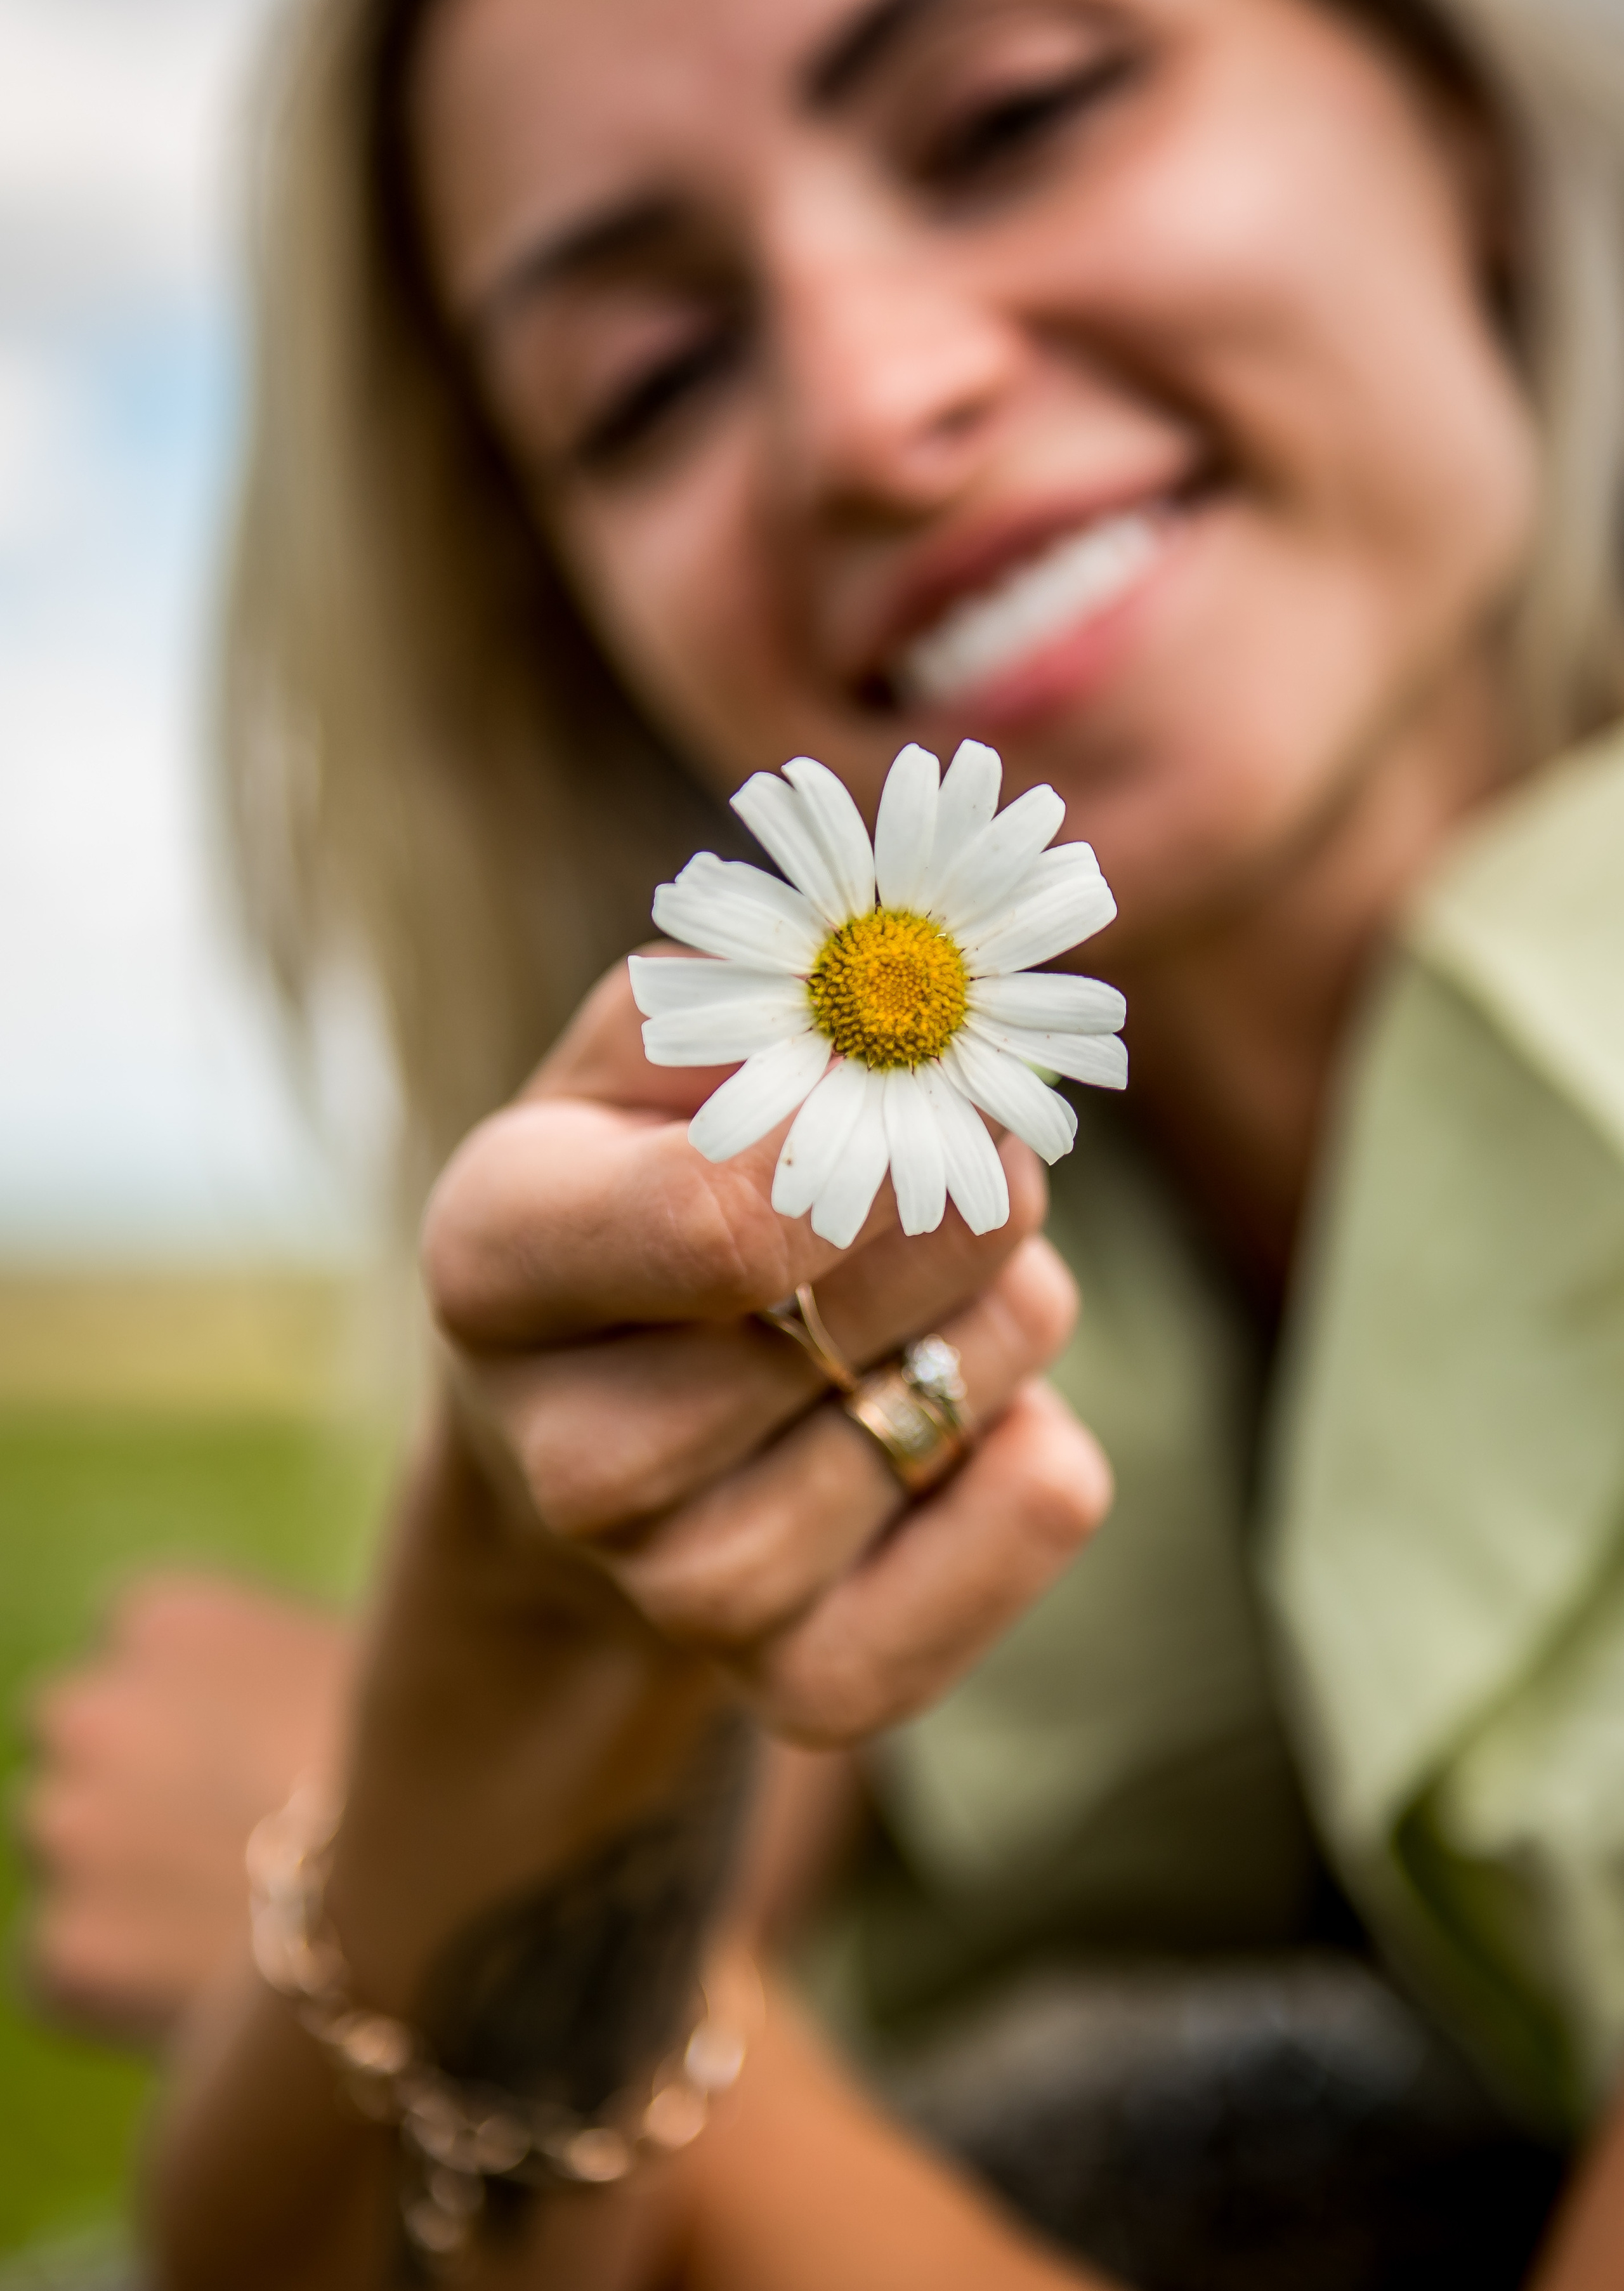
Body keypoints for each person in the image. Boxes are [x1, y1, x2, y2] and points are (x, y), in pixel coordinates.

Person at [23, 0, 1624, 2280]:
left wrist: (656, 2046)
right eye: (647, 381)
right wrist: (503, 1639)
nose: (876, 415)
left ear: (1460, 118)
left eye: (1014, 116)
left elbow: (530, 2081)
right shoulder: (929, 1272)